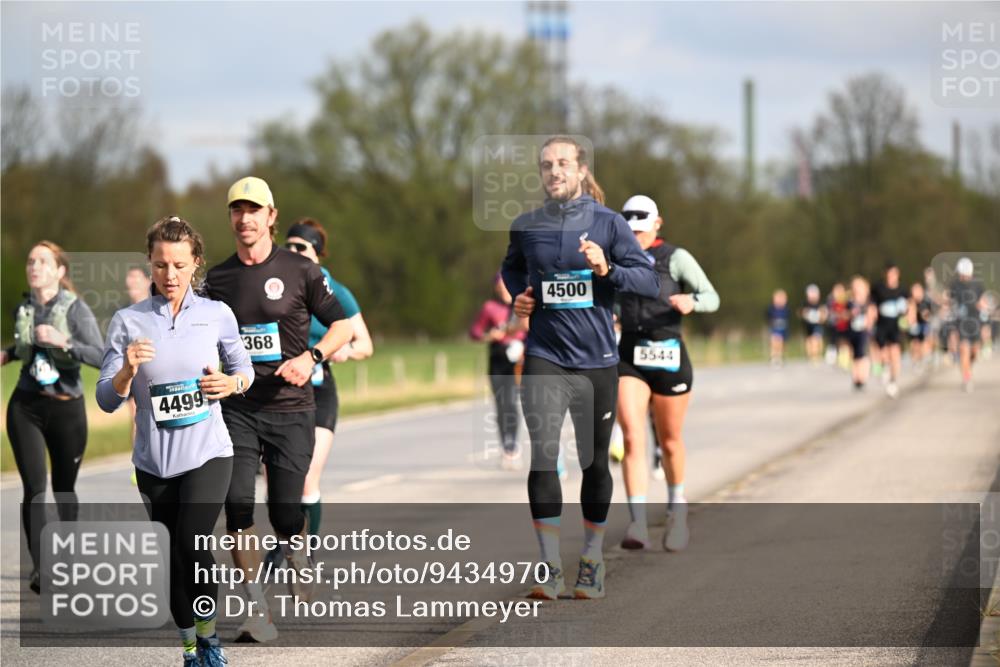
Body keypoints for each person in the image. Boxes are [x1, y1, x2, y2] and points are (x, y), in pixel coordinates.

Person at [501, 136, 659, 600]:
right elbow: (511, 270)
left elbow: (647, 279)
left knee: (594, 462)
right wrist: (520, 296)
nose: (554, 171)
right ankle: (549, 567)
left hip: (597, 362)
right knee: (544, 456)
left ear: (581, 169)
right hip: (545, 357)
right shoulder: (526, 227)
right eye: (547, 165)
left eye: (563, 163)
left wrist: (608, 268)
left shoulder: (610, 225)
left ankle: (591, 559)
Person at [97, 216, 251, 666]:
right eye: (161, 264)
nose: (170, 275)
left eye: (180, 265)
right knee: (173, 555)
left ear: (195, 263)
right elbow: (106, 398)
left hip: (208, 452)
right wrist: (126, 370)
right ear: (150, 262)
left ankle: (209, 639)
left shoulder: (216, 314)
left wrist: (230, 385)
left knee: (192, 542)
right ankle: (188, 648)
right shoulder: (128, 321)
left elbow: (245, 369)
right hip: (154, 461)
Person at [205, 177, 353, 642]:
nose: (244, 218)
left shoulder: (301, 271)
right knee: (237, 506)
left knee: (286, 510)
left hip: (291, 409)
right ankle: (257, 609)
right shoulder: (219, 279)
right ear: (230, 218)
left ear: (270, 216)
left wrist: (311, 358)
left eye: (254, 210)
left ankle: (295, 544)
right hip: (238, 407)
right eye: (236, 210)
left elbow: (343, 327)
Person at [262, 218, 373, 570]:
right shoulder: (274, 285)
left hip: (320, 391)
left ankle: (306, 552)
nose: (293, 252)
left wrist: (344, 351)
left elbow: (364, 344)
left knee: (308, 474)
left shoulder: (335, 290)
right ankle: (286, 542)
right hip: (278, 392)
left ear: (318, 255)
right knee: (276, 476)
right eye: (289, 246)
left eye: (302, 248)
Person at [614, 194, 719, 552]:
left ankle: (677, 508)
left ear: (658, 224)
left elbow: (712, 296)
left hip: (669, 353)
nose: (637, 236)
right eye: (632, 231)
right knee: (631, 435)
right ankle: (638, 522)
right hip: (629, 353)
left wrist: (692, 301)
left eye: (642, 230)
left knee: (670, 440)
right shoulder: (615, 258)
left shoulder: (676, 258)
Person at [2, 241, 104, 594]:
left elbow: (100, 354)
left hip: (66, 409)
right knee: (34, 489)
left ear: (59, 271)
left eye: (43, 261)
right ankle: (41, 569)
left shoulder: (76, 310)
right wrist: (6, 354)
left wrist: (65, 343)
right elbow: (24, 347)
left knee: (63, 489)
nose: (34, 266)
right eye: (31, 260)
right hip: (26, 406)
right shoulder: (25, 307)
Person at [470, 273, 527, 469]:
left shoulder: (522, 303)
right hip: (497, 358)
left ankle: (512, 447)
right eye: (500, 286)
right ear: (496, 288)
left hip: (518, 358)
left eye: (507, 285)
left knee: (511, 403)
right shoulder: (490, 308)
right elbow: (475, 332)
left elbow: (530, 329)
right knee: (501, 405)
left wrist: (522, 343)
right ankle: (505, 446)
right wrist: (489, 335)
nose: (504, 289)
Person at [125, 266, 152, 486]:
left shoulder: (155, 307)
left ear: (147, 280)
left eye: (136, 278)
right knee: (135, 416)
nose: (131, 283)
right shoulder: (125, 312)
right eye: (129, 279)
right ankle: (140, 462)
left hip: (153, 372)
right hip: (132, 371)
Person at [870, 262, 908, 398]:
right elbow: (872, 305)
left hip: (895, 326)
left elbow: (909, 306)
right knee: (883, 353)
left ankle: (893, 380)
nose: (891, 277)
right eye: (889, 274)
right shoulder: (878, 288)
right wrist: (870, 319)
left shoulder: (903, 290)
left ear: (898, 275)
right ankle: (884, 368)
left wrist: (909, 319)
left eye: (894, 274)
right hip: (881, 326)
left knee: (895, 352)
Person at [949, 257, 985, 392]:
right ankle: (967, 378)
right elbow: (951, 303)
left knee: (974, 352)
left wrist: (983, 308)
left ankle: (968, 367)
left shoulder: (977, 285)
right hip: (961, 323)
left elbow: (982, 301)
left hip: (975, 321)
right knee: (964, 349)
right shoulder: (955, 285)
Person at [847, 276, 876, 391]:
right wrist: (850, 313)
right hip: (852, 330)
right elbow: (845, 315)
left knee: (862, 354)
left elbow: (872, 314)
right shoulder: (850, 301)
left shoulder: (868, 301)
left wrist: (869, 324)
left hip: (864, 330)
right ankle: (856, 378)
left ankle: (863, 378)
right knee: (854, 355)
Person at [907, 282, 934, 366]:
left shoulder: (926, 301)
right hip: (914, 325)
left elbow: (928, 315)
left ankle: (925, 356)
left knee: (925, 340)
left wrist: (925, 315)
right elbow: (909, 317)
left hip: (924, 325)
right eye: (914, 291)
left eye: (918, 290)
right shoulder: (910, 302)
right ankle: (915, 360)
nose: (916, 293)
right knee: (914, 343)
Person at [826, 282, 851, 369]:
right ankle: (838, 358)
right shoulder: (831, 301)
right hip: (835, 325)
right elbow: (829, 313)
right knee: (838, 342)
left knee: (846, 343)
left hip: (846, 325)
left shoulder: (848, 300)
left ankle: (845, 360)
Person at [800, 284, 826, 365]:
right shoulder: (805, 304)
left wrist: (820, 318)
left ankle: (816, 355)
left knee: (816, 339)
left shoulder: (820, 304)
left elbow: (823, 315)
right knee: (809, 340)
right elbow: (801, 313)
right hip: (808, 326)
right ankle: (810, 356)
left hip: (817, 325)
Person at [767, 289, 789, 367]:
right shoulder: (771, 308)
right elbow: (768, 317)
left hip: (783, 329)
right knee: (775, 341)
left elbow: (787, 318)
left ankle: (779, 357)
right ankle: (773, 357)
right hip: (774, 328)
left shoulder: (786, 309)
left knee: (781, 343)